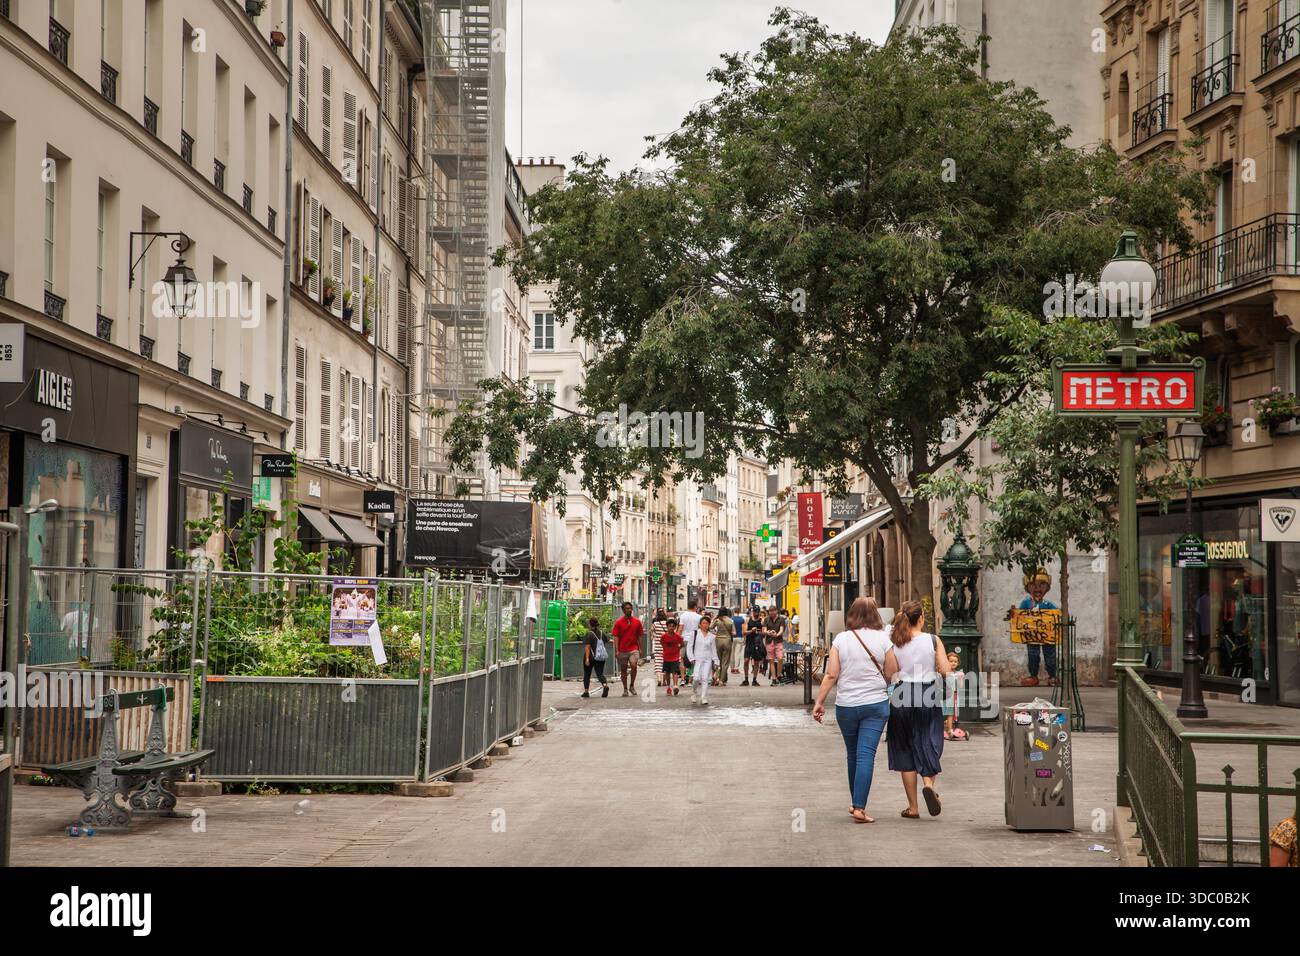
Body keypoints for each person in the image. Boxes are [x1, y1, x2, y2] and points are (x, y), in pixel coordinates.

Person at [812, 597, 893, 823]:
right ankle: (859, 806)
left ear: (852, 615)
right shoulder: (884, 639)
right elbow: (892, 671)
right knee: (866, 754)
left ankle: (856, 802)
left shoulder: (841, 639)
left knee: (853, 754)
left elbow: (831, 674)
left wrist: (819, 702)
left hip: (846, 705)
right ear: (875, 614)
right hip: (875, 704)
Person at [885, 600, 952, 819]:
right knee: (929, 742)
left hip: (901, 694)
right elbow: (945, 670)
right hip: (927, 694)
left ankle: (913, 807)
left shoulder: (895, 641)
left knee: (905, 749)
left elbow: (891, 673)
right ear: (921, 618)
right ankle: (929, 784)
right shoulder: (932, 640)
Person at [1013, 568, 1058, 687]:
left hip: (1048, 635)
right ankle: (1033, 676)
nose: (1037, 589)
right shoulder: (1026, 603)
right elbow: (1019, 616)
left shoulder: (1049, 605)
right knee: (1033, 655)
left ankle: (1053, 676)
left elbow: (1058, 615)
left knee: (1050, 655)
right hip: (1032, 635)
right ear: (1028, 587)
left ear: (1047, 587)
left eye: (1042, 585)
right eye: (1033, 585)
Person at [611, 601, 645, 697]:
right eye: (627, 608)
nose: (629, 610)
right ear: (623, 610)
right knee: (623, 669)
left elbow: (639, 636)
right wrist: (617, 650)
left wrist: (641, 648)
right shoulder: (618, 622)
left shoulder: (637, 622)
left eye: (630, 608)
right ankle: (625, 688)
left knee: (634, 665)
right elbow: (616, 637)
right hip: (622, 649)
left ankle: (632, 685)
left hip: (633, 648)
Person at [689, 614, 720, 705]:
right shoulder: (695, 634)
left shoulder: (712, 636)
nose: (705, 625)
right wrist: (691, 657)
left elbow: (714, 649)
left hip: (708, 659)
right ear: (700, 624)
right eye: (703, 623)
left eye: (707, 623)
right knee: (696, 678)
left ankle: (704, 697)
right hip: (697, 659)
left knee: (705, 678)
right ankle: (694, 693)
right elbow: (689, 647)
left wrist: (716, 661)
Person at [581, 616, 610, 699]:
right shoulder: (602, 633)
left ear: (590, 624)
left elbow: (587, 647)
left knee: (587, 673)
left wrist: (586, 659)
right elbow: (608, 640)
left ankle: (586, 692)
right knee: (600, 673)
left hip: (590, 657)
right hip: (600, 656)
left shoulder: (589, 634)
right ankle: (605, 686)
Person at [942, 651, 967, 741]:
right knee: (950, 713)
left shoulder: (958, 673)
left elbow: (960, 686)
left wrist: (961, 678)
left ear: (958, 663)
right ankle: (949, 730)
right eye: (951, 661)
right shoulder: (945, 672)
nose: (953, 663)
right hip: (947, 696)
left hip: (955, 697)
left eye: (955, 662)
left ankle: (947, 725)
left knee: (953, 714)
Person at [661, 616, 685, 696]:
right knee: (667, 673)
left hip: (675, 657)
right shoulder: (664, 636)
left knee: (675, 672)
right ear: (667, 627)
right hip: (666, 657)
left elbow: (682, 644)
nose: (671, 628)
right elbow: (662, 643)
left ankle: (675, 685)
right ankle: (669, 687)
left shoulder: (677, 636)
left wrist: (678, 649)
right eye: (670, 626)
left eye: (673, 626)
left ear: (675, 627)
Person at [679, 599, 702, 685]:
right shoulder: (699, 617)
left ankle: (682, 679)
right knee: (694, 659)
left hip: (684, 640)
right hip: (695, 640)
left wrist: (677, 639)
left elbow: (680, 628)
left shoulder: (683, 616)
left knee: (682, 659)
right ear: (695, 607)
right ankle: (691, 680)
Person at [743, 607, 766, 686]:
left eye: (757, 611)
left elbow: (764, 634)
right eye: (755, 611)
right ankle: (746, 679)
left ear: (759, 612)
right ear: (752, 612)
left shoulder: (762, 621)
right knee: (746, 661)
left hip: (757, 643)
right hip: (749, 642)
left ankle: (754, 680)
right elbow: (744, 632)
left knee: (756, 662)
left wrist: (759, 632)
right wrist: (751, 631)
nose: (756, 613)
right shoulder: (747, 620)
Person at [764, 606, 787, 684]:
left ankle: (779, 675)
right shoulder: (766, 619)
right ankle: (774, 679)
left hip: (778, 641)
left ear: (776, 611)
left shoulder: (781, 619)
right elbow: (764, 630)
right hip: (769, 641)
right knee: (771, 660)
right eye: (770, 611)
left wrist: (776, 634)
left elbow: (781, 630)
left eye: (772, 611)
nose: (771, 613)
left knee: (780, 658)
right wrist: (768, 632)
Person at [713, 607, 735, 685]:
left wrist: (716, 633)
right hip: (727, 641)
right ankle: (722, 680)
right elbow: (734, 633)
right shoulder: (730, 621)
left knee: (718, 660)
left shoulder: (717, 620)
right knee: (725, 662)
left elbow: (710, 628)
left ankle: (717, 678)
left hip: (718, 640)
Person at [651, 608, 668, 685]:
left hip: (658, 646)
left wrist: (654, 636)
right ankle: (664, 680)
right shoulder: (668, 624)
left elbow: (651, 633)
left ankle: (659, 679)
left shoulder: (655, 624)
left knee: (658, 664)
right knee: (665, 663)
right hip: (666, 647)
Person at [730, 607, 747, 676]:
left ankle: (732, 668)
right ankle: (736, 668)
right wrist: (744, 638)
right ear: (739, 611)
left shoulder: (731, 619)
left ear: (734, 611)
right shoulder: (742, 619)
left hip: (732, 638)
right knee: (737, 654)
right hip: (739, 637)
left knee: (732, 653)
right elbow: (744, 629)